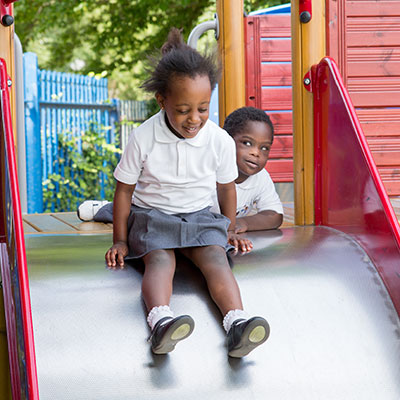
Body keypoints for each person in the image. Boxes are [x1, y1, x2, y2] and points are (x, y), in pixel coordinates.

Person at [98, 28, 269, 358]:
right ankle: (161, 322)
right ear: (162, 101)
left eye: (203, 108)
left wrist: (228, 227)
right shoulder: (144, 137)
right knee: (160, 261)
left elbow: (225, 188)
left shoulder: (217, 139)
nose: (195, 119)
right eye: (184, 110)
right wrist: (120, 239)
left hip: (199, 217)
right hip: (153, 217)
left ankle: (237, 324)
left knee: (217, 259)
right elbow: (124, 190)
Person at [218, 106, 283, 232]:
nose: (256, 153)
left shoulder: (261, 177)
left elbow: (275, 215)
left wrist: (242, 223)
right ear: (227, 140)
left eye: (264, 148)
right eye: (247, 143)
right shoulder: (209, 171)